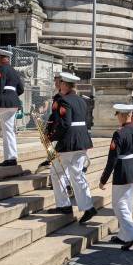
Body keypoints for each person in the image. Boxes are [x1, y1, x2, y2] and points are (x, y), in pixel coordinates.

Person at [46, 72, 97, 224]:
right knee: (77, 174)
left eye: (60, 82)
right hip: (81, 140)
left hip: (68, 142)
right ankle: (87, 207)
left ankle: (65, 205)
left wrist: (51, 136)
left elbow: (65, 123)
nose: (59, 84)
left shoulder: (64, 100)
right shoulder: (81, 100)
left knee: (57, 173)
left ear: (65, 85)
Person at [99, 104, 133, 251]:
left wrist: (103, 179)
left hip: (123, 171)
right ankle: (124, 236)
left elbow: (112, 159)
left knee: (118, 205)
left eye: (118, 115)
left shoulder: (119, 133)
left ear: (124, 115)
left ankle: (132, 234)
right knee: (127, 204)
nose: (117, 118)